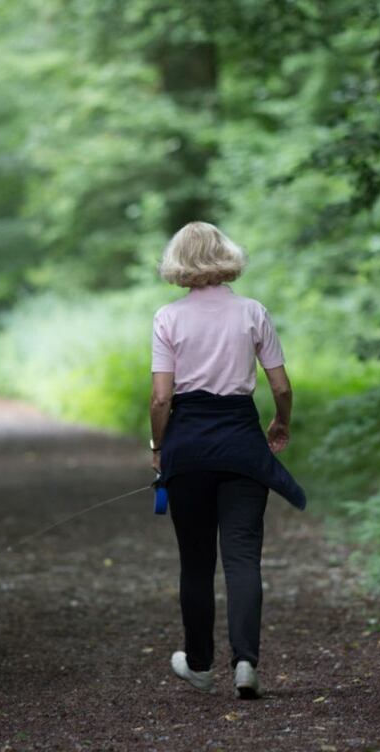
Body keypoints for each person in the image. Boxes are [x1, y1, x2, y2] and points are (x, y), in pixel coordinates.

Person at [149, 221, 306, 700]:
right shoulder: (252, 312)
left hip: (189, 447)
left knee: (195, 563)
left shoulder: (168, 318)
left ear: (178, 261)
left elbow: (160, 400)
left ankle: (198, 665)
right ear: (225, 256)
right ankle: (245, 662)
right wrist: (280, 422)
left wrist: (159, 449)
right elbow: (280, 386)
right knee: (242, 560)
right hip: (242, 445)